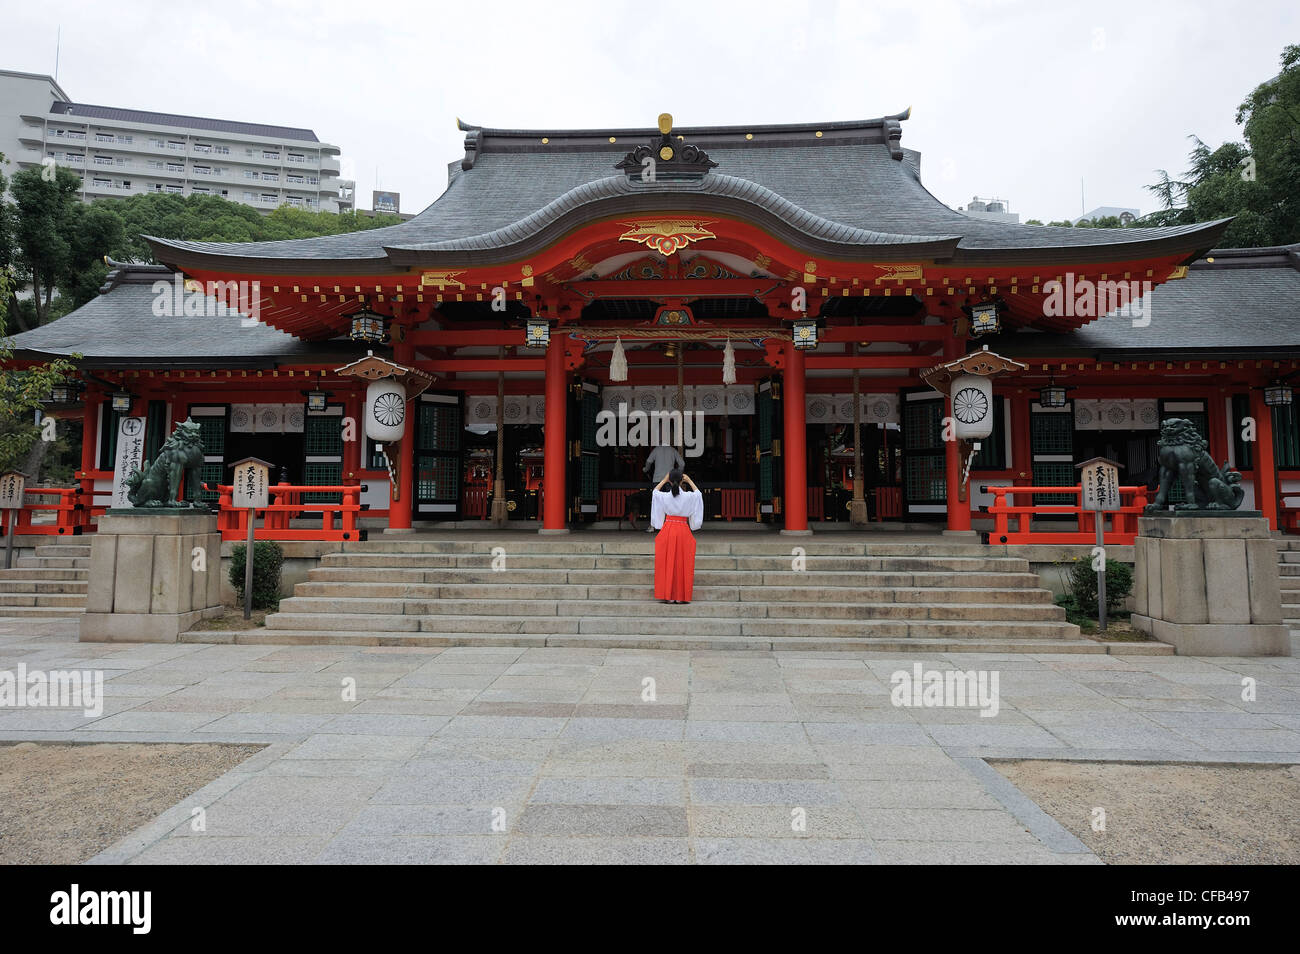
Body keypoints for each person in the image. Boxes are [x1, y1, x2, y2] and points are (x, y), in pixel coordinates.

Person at [651, 468, 703, 604]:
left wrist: (664, 480)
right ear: (682, 480)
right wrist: (690, 481)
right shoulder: (688, 497)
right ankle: (681, 596)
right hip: (683, 529)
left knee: (667, 562)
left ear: (670, 479)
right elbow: (698, 495)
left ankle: (669, 595)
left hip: (668, 528)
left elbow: (655, 493)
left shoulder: (665, 497)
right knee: (682, 562)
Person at [643, 445, 685, 532]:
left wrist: (645, 469)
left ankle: (652, 526)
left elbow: (649, 461)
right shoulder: (673, 450)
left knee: (656, 503)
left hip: (657, 480)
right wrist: (677, 474)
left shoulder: (656, 450)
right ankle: (671, 525)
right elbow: (682, 464)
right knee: (672, 502)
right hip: (670, 480)